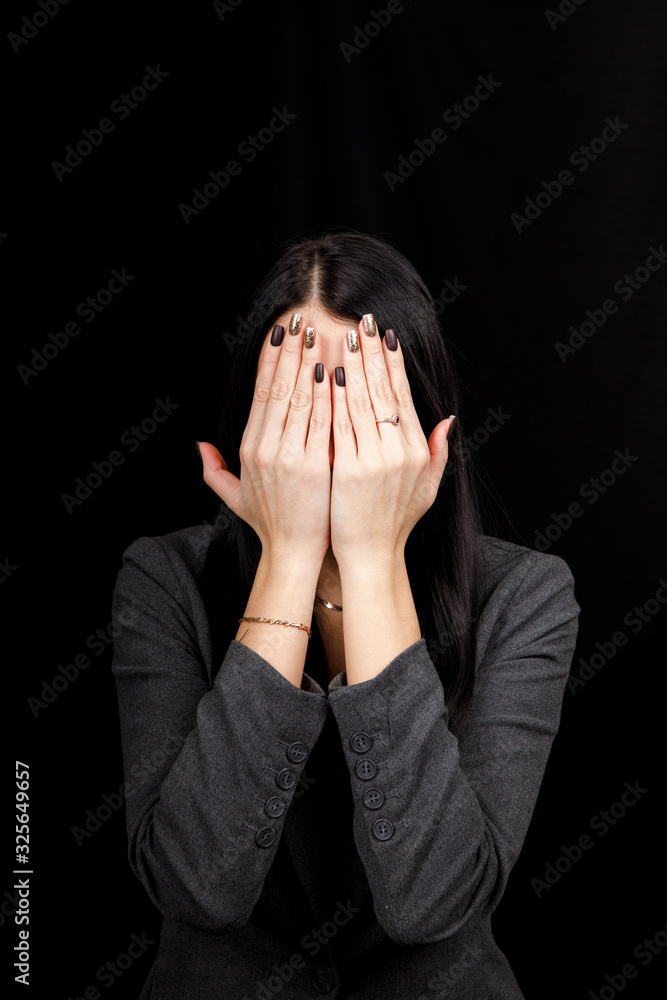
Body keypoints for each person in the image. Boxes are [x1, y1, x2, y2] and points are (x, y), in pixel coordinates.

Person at [111, 230, 580, 999]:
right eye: (296, 396)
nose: (327, 434)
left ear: (425, 427)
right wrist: (289, 556)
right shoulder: (163, 579)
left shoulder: (526, 596)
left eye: (360, 396)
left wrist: (371, 558)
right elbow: (194, 887)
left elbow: (433, 902)